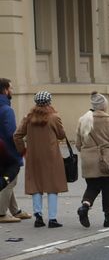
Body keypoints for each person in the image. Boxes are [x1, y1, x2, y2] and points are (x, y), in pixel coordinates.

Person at [14, 91, 68, 228]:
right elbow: (61, 135)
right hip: (51, 156)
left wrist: (23, 151)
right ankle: (52, 219)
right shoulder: (54, 117)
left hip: (33, 156)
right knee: (52, 186)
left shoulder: (28, 117)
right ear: (49, 102)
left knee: (36, 185)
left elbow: (17, 136)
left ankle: (38, 216)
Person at [75, 93, 109, 228]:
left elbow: (78, 144)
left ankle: (85, 206)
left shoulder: (83, 120)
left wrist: (87, 152)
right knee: (108, 188)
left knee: (92, 186)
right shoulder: (108, 120)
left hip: (88, 159)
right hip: (106, 159)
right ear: (104, 106)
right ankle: (108, 219)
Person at [0, 78, 30, 223]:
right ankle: (1, 213)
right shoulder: (7, 110)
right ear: (5, 90)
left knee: (7, 180)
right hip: (7, 153)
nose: (12, 90)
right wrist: (20, 151)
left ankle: (15, 210)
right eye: (11, 88)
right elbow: (11, 134)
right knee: (10, 182)